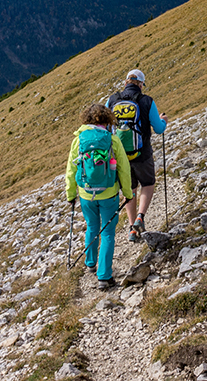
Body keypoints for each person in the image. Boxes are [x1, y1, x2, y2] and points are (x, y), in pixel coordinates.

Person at [66, 103, 132, 288]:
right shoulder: (113, 139)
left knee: (92, 226)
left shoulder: (78, 140)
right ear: (108, 120)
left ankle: (90, 263)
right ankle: (104, 276)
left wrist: (71, 194)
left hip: (85, 193)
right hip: (109, 193)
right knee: (108, 232)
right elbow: (124, 169)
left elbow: (71, 169)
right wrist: (128, 193)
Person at [107, 68, 167, 242]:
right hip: (142, 153)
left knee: (129, 190)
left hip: (120, 156)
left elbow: (104, 127)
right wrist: (164, 120)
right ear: (141, 85)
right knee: (147, 183)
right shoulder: (147, 101)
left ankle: (132, 230)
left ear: (126, 83)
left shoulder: (112, 100)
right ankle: (141, 217)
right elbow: (159, 129)